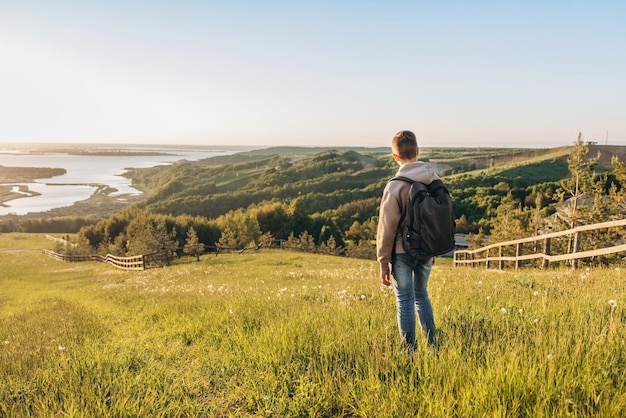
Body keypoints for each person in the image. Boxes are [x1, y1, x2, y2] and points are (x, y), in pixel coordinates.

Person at [376, 130, 439, 350]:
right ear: (418, 152)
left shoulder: (395, 186)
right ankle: (433, 345)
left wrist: (383, 261)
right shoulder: (434, 179)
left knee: (404, 300)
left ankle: (409, 351)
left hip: (402, 251)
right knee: (422, 295)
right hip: (426, 250)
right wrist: (433, 249)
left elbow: (387, 226)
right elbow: (437, 219)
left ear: (395, 156)